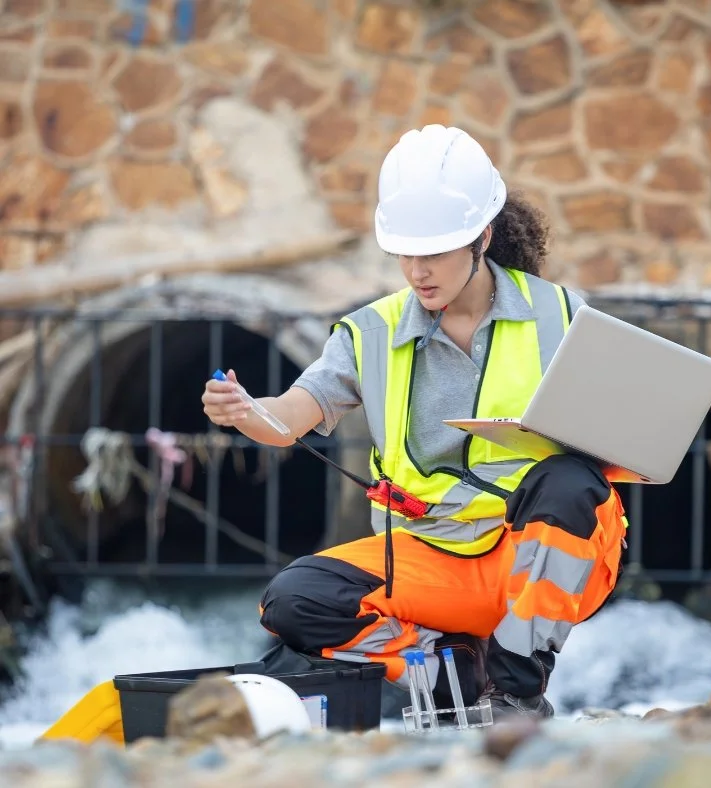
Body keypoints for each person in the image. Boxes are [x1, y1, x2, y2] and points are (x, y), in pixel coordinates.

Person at [201, 124, 628, 721]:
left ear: (482, 237)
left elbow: (615, 439)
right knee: (294, 601)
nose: (417, 271)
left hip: (539, 562)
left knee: (571, 478)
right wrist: (248, 412)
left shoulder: (561, 315)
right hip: (432, 558)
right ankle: (447, 671)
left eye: (434, 252)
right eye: (405, 252)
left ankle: (516, 691)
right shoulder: (369, 334)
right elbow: (287, 419)